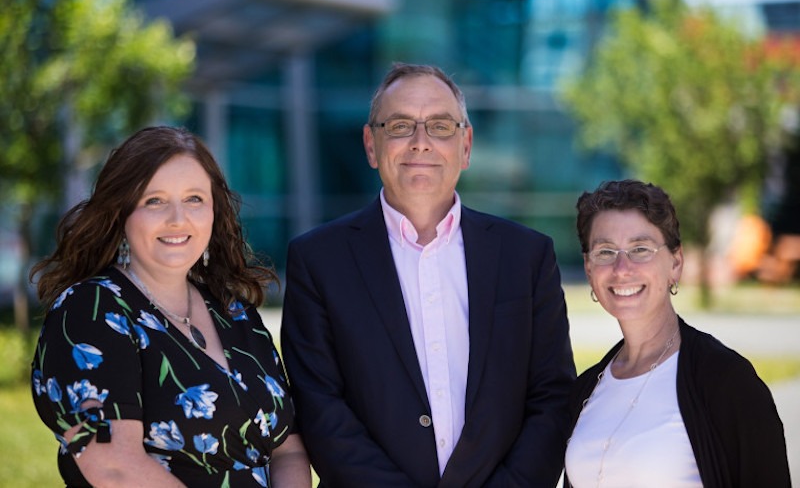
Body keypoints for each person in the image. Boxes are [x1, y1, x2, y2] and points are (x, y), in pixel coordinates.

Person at [281, 63, 576, 487]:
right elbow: (320, 408)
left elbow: (551, 400)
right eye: (400, 125)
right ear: (371, 144)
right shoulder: (317, 261)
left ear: (466, 145)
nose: (421, 143)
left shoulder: (527, 256)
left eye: (439, 126)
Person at [30, 126, 311, 487]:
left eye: (194, 199)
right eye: (154, 201)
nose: (178, 219)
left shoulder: (237, 313)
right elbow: (114, 468)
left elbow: (288, 448)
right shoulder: (91, 311)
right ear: (121, 214)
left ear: (214, 210)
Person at [564, 179, 791, 487]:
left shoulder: (726, 381)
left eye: (640, 249)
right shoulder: (587, 388)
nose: (621, 268)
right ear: (589, 269)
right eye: (605, 252)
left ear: (675, 262)